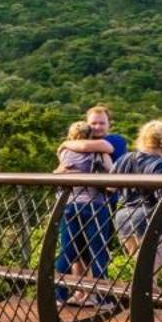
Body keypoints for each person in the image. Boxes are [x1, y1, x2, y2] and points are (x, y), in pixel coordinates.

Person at [111, 119, 162, 276]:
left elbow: (110, 186)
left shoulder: (125, 158)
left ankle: (136, 299)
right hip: (152, 219)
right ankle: (145, 300)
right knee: (149, 274)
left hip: (124, 217)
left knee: (139, 270)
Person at [54, 119, 113, 307]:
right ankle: (101, 297)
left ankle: (58, 294)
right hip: (95, 204)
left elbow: (59, 173)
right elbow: (113, 177)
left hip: (69, 204)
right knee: (98, 252)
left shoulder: (64, 152)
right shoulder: (100, 152)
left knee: (68, 251)